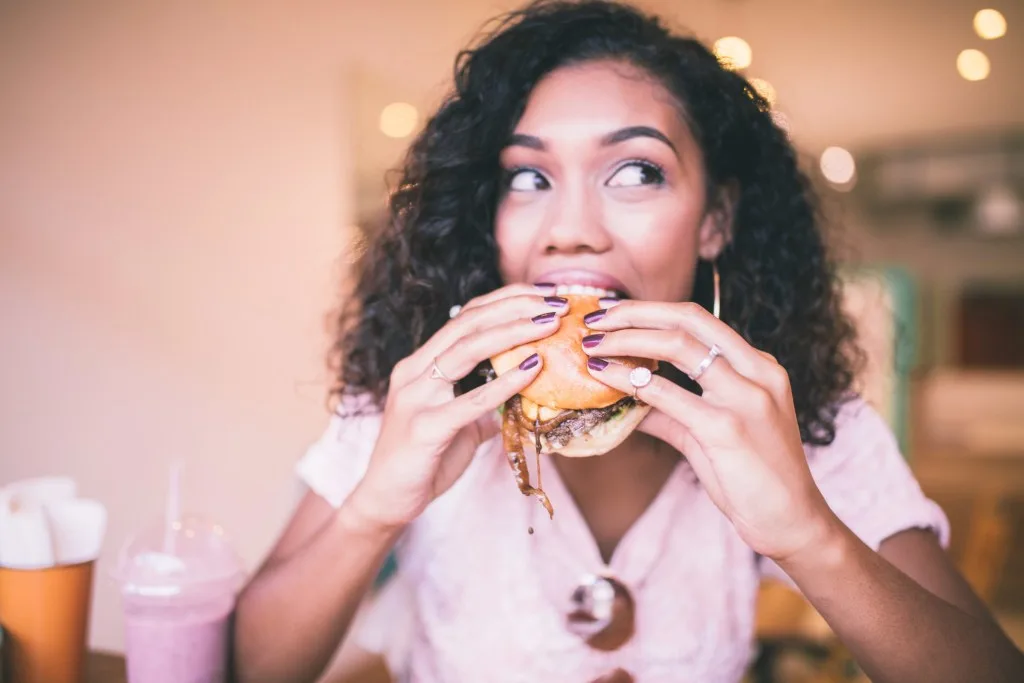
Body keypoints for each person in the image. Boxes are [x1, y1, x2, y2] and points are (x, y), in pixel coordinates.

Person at [232, 2, 1024, 682]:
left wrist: (807, 532)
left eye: (636, 171)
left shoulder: (794, 414)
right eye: (528, 178)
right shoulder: (420, 395)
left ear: (715, 219)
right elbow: (247, 665)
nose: (571, 231)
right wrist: (373, 508)